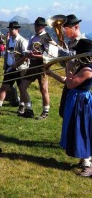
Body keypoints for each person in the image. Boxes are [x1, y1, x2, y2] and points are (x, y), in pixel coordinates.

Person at [47, 39, 92, 177]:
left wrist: (68, 67)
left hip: (81, 102)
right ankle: (84, 159)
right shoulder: (82, 66)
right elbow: (68, 81)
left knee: (81, 129)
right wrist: (51, 73)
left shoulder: (87, 69)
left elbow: (71, 84)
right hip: (76, 99)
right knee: (75, 129)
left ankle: (87, 164)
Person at [18, 17, 55, 119]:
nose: (36, 27)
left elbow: (48, 56)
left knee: (43, 89)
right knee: (22, 87)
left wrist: (33, 55)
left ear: (43, 26)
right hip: (32, 64)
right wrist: (28, 54)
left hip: (43, 65)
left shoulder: (46, 37)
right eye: (35, 25)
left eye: (38, 25)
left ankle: (45, 112)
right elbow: (29, 49)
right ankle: (29, 109)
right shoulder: (33, 37)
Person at [0, 21, 28, 110]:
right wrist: (5, 64)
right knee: (4, 87)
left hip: (20, 69)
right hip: (10, 67)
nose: (10, 30)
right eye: (10, 29)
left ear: (17, 29)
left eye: (12, 29)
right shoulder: (9, 40)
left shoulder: (23, 41)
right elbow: (6, 53)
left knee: (21, 88)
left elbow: (26, 56)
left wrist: (17, 63)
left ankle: (22, 106)